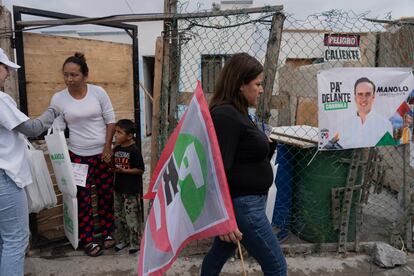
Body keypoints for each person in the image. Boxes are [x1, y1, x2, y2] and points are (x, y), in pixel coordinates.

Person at [200, 53, 287, 276]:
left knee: (218, 256)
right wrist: (225, 219)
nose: (261, 89)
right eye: (257, 84)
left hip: (247, 204)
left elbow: (243, 157)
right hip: (243, 207)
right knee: (277, 267)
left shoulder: (238, 112)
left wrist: (265, 145)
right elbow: (217, 172)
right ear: (240, 84)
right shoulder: (225, 116)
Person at [0, 48, 59, 276]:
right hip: (5, 177)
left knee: (4, 239)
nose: (8, 75)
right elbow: (33, 128)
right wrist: (53, 111)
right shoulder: (1, 100)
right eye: (6, 69)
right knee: (16, 240)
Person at [50, 52, 116, 257]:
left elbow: (111, 120)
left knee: (105, 196)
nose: (69, 79)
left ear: (85, 76)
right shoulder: (59, 99)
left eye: (74, 75)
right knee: (83, 199)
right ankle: (87, 239)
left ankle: (107, 233)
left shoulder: (98, 92)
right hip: (77, 156)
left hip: (102, 154)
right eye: (66, 75)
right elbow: (57, 125)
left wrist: (107, 147)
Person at [327, 77, 393, 149]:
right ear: (355, 97)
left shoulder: (385, 124)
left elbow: (386, 151)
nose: (364, 99)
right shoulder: (344, 123)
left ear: (373, 97)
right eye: (360, 94)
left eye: (367, 94)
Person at [112, 119, 144, 254]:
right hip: (118, 188)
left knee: (131, 217)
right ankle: (123, 240)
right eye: (115, 132)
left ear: (129, 136)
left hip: (130, 190)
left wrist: (124, 171)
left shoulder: (134, 150)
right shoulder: (117, 149)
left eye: (119, 132)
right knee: (119, 216)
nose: (115, 135)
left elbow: (140, 170)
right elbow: (114, 165)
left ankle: (135, 243)